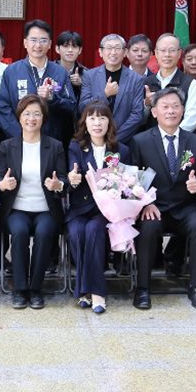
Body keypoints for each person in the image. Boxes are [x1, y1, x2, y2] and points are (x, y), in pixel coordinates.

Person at [129, 88, 196, 310]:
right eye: (165, 107)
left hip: (185, 205)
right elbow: (133, 178)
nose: (171, 111)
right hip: (155, 205)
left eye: (176, 106)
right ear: (154, 112)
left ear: (183, 110)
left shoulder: (195, 141)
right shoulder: (140, 141)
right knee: (148, 229)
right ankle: (143, 288)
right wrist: (146, 203)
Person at [0, 95, 67, 309]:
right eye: (27, 114)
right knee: (19, 232)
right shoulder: (7, 146)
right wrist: (2, 184)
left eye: (37, 114)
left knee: (44, 233)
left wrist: (58, 185)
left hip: (46, 209)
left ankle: (35, 289)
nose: (31, 118)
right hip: (17, 208)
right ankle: (20, 289)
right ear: (19, 117)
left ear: (44, 118)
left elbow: (64, 180)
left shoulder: (55, 146)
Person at [66, 102, 128, 314]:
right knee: (76, 231)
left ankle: (93, 292)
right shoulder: (75, 147)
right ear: (85, 123)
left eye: (102, 118)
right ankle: (87, 289)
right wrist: (72, 178)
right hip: (80, 207)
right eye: (92, 118)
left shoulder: (121, 150)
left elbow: (128, 183)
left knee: (93, 230)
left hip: (108, 211)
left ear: (109, 122)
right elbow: (71, 175)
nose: (97, 123)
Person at [0, 20, 76, 141]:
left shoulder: (60, 72)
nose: (38, 45)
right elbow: (3, 107)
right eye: (33, 40)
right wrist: (20, 136)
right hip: (19, 141)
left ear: (50, 44)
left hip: (52, 142)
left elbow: (71, 106)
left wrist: (52, 99)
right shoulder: (12, 71)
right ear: (25, 43)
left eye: (43, 40)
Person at [79, 34, 146, 144]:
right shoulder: (89, 76)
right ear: (100, 52)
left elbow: (137, 115)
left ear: (125, 52)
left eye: (117, 48)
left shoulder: (136, 79)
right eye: (109, 48)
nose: (113, 52)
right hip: (93, 140)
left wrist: (114, 139)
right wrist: (104, 95)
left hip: (124, 141)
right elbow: (82, 108)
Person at [140, 33, 196, 133]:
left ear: (179, 53)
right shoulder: (146, 83)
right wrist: (146, 105)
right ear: (156, 53)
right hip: (150, 139)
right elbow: (138, 120)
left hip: (180, 139)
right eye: (163, 50)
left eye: (172, 50)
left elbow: (191, 121)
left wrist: (170, 137)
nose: (167, 55)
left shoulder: (190, 83)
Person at [56, 30, 87, 115]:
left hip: (77, 119)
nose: (70, 50)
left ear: (80, 50)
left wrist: (81, 85)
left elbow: (91, 101)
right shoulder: (49, 70)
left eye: (74, 46)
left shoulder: (86, 73)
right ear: (57, 49)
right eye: (66, 46)